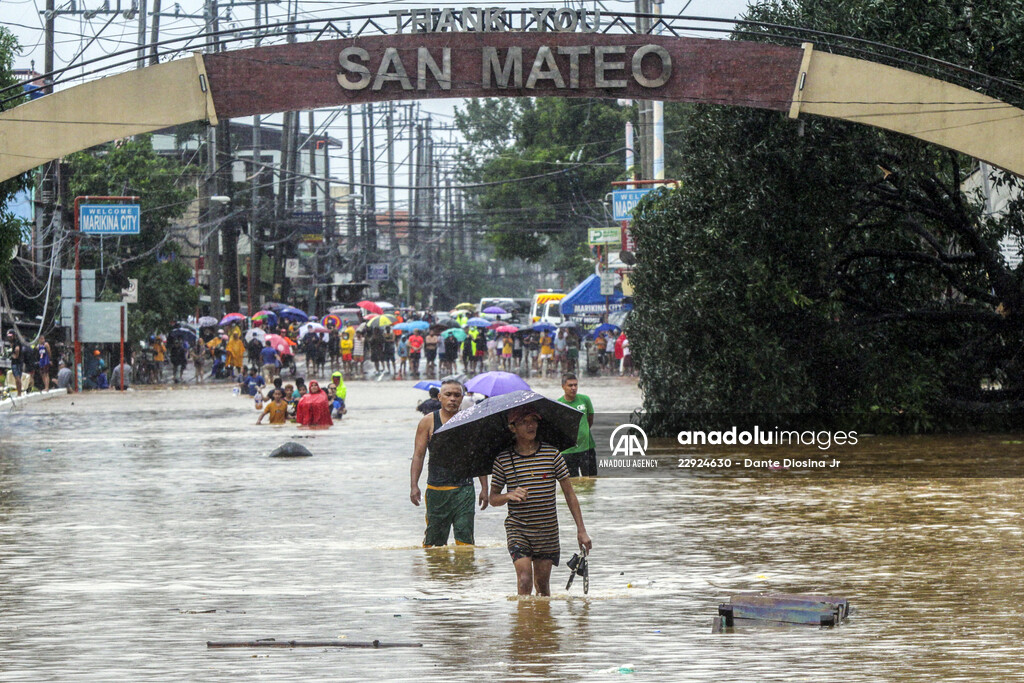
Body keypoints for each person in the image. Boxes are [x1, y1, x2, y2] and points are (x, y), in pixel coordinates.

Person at [489, 404, 592, 596]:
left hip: (547, 530)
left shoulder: (552, 455)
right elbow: (493, 498)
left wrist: (582, 530)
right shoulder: (503, 460)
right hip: (518, 528)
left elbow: (570, 494)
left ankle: (541, 624)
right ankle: (523, 625)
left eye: (534, 421)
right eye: (524, 422)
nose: (531, 426)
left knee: (543, 586)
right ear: (513, 427)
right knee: (525, 579)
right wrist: (509, 495)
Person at [410, 379, 489, 547]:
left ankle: (462, 573)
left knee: (465, 543)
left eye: (457, 395)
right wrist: (414, 485)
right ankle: (439, 572)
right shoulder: (428, 422)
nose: (452, 399)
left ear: (462, 398)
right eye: (448, 395)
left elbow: (478, 456)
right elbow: (418, 455)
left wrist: (484, 488)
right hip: (437, 489)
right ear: (440, 397)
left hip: (464, 489)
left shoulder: (470, 421)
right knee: (434, 545)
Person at [557, 373, 597, 477]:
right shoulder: (559, 404)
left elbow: (590, 419)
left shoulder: (585, 400)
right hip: (568, 451)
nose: (573, 388)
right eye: (570, 385)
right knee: (573, 483)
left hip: (587, 448)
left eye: (575, 385)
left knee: (591, 482)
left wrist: (584, 431)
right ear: (563, 387)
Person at [7, 330, 24, 396]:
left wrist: (15, 356)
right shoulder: (14, 342)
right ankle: (19, 392)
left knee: (17, 378)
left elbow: (17, 349)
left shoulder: (16, 342)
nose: (9, 338)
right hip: (19, 362)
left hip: (16, 362)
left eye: (11, 337)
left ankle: (19, 393)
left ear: (14, 336)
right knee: (18, 378)